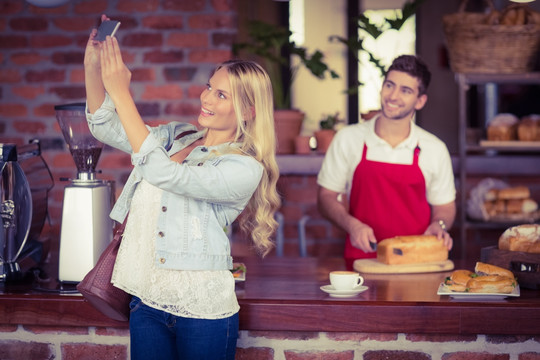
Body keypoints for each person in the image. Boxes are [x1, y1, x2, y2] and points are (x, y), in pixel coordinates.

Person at [83, 15, 280, 360]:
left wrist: (122, 92)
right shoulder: (177, 136)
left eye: (222, 95)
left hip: (202, 310)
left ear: (248, 111)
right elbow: (105, 126)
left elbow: (166, 175)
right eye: (209, 86)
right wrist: (92, 67)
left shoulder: (243, 167)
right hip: (146, 299)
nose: (207, 98)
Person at [317, 54, 456, 270]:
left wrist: (439, 225)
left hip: (417, 264)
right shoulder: (348, 139)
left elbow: (445, 206)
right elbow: (325, 197)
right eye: (389, 85)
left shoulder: (434, 149)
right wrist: (351, 225)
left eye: (405, 90)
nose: (393, 96)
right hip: (361, 261)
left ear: (420, 101)